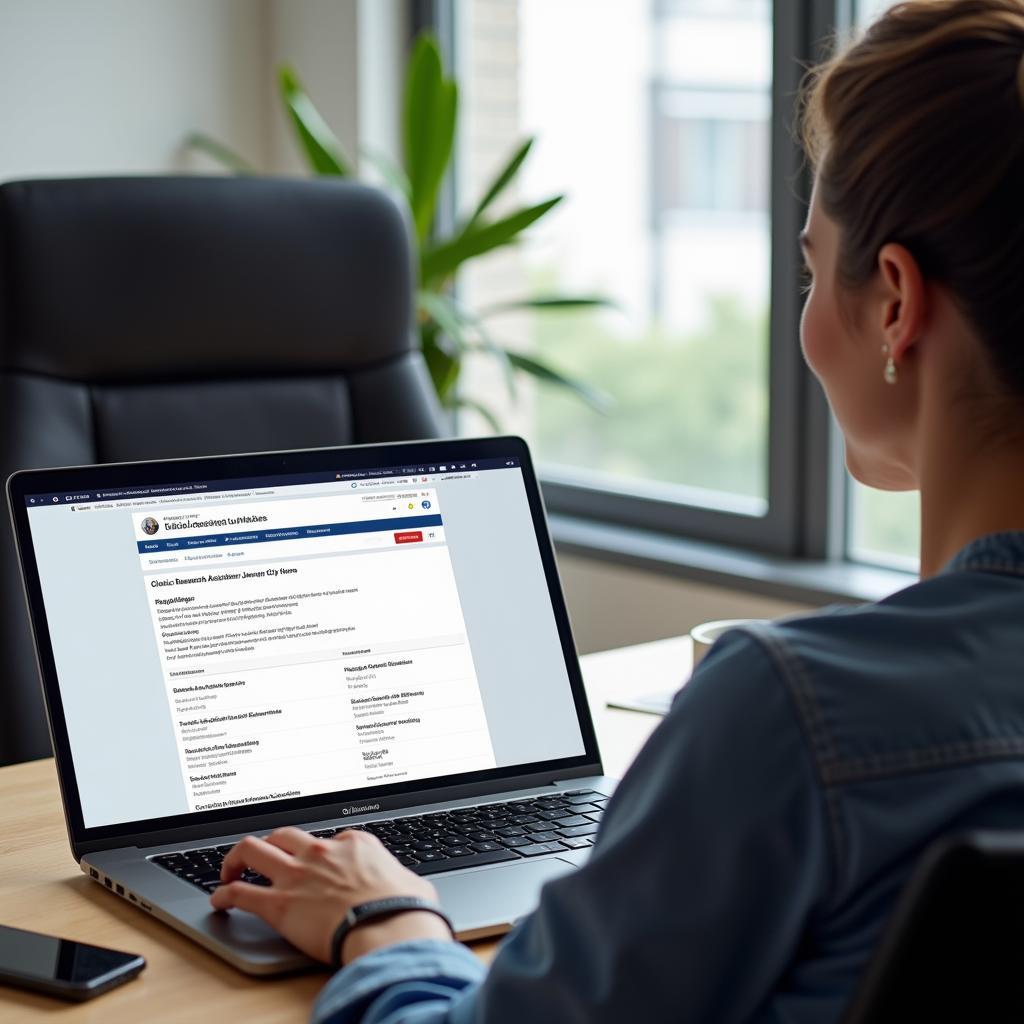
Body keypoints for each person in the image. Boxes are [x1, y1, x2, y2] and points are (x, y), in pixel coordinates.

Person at [210, 2, 1024, 1019]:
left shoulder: (797, 713)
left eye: (813, 267)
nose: (807, 311)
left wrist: (385, 918)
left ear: (895, 302)